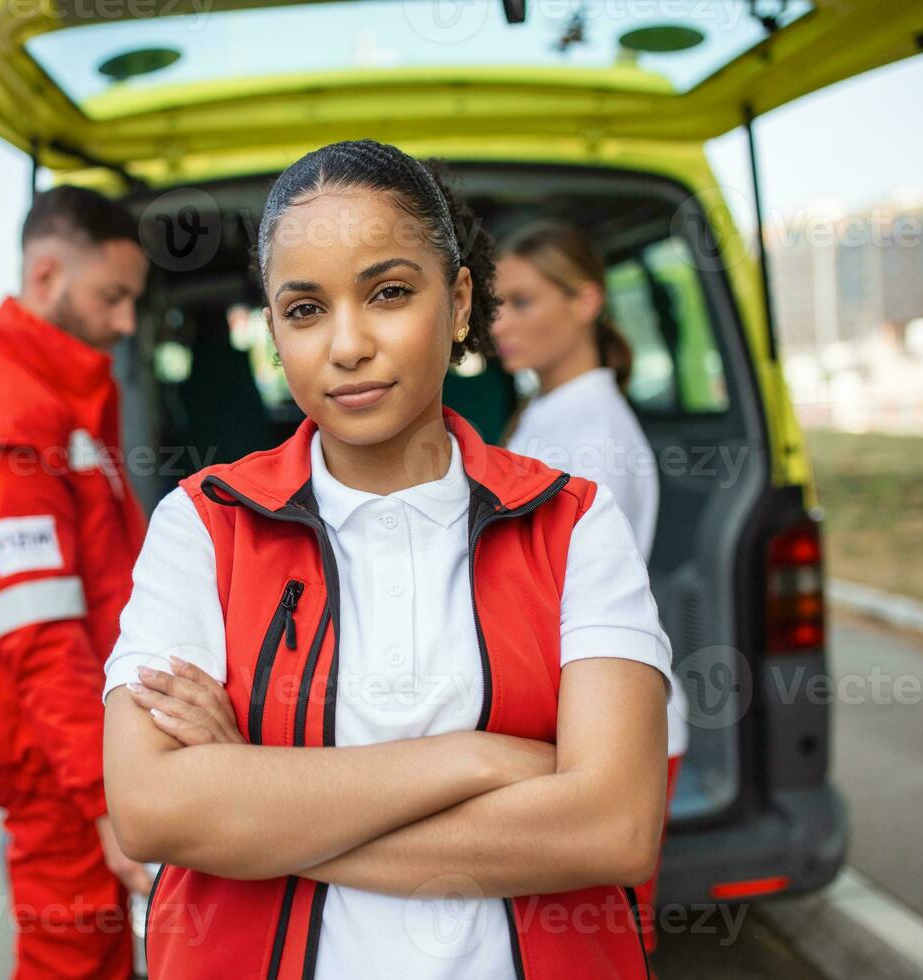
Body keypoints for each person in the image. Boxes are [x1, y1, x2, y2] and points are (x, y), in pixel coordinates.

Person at [100, 139, 674, 979]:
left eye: (390, 293)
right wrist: (481, 758)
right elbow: (152, 810)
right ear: (272, 329)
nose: (348, 344)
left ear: (461, 299)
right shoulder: (201, 525)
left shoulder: (573, 521)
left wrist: (257, 803)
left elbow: (612, 828)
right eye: (304, 310)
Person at [0, 185, 152, 979]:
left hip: (70, 748)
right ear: (46, 276)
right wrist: (107, 800)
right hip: (57, 759)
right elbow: (40, 638)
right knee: (71, 954)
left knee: (98, 948)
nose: (125, 323)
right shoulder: (12, 418)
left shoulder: (45, 394)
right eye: (112, 297)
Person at [495, 219, 688, 957]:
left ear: (585, 302)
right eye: (496, 306)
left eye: (522, 302)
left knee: (595, 952)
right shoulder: (551, 413)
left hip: (602, 734)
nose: (501, 323)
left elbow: (553, 605)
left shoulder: (591, 435)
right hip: (575, 724)